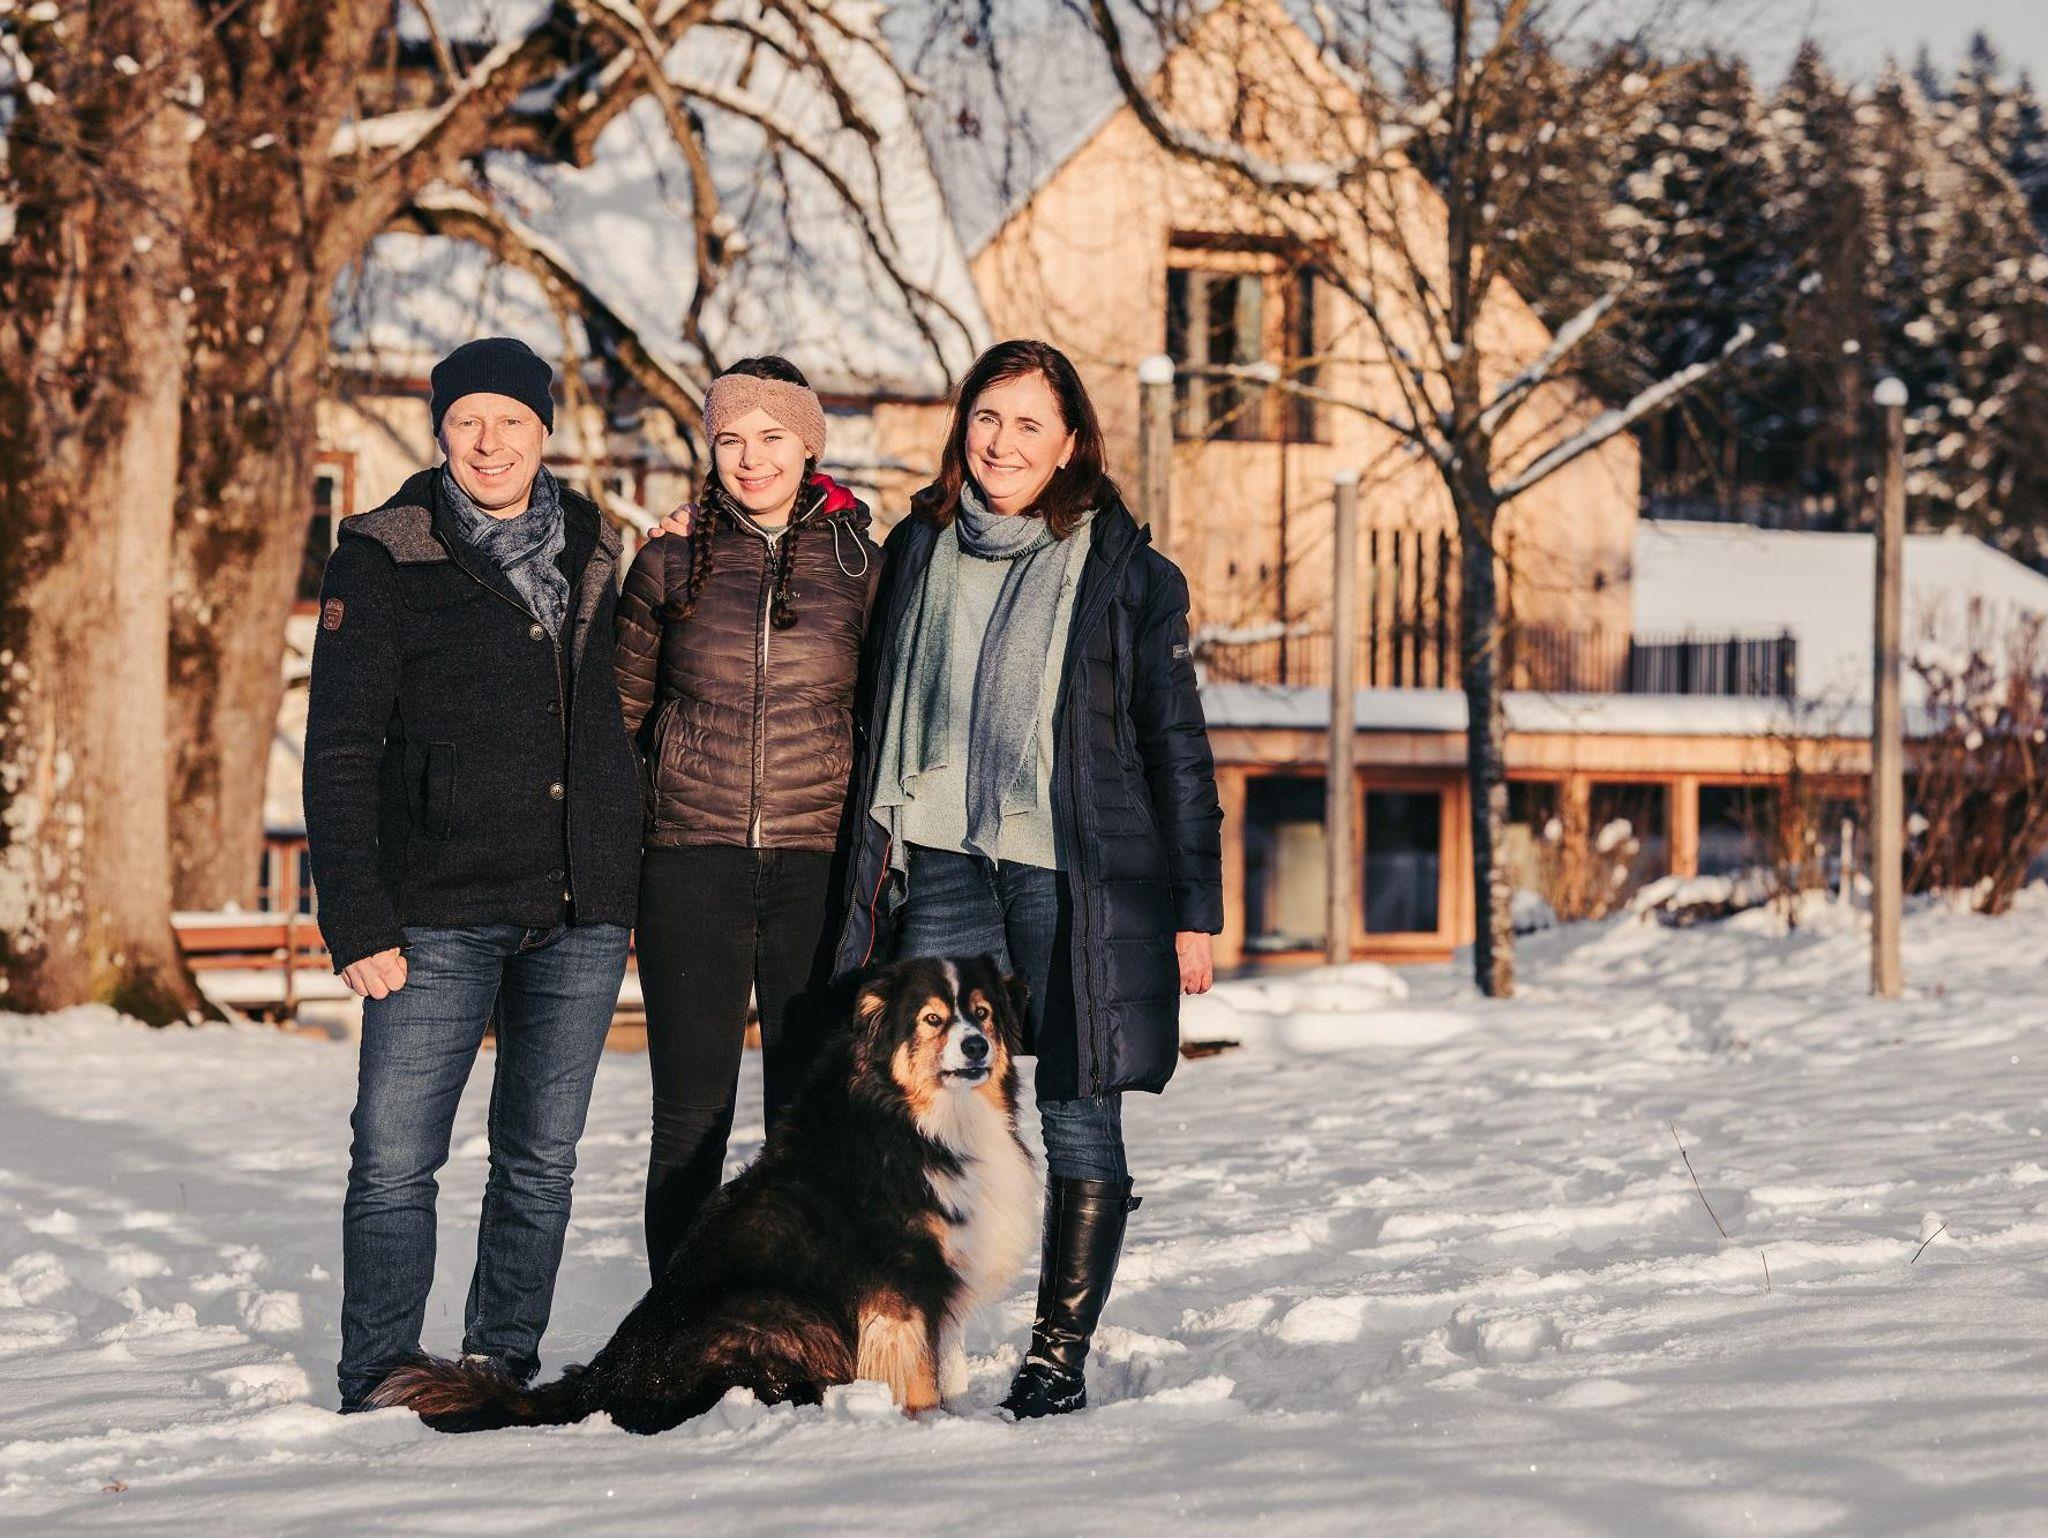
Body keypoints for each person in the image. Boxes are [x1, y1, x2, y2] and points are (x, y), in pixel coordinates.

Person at [832, 338, 1224, 1418]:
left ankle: (1057, 1351)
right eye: (987, 418)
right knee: (926, 1104)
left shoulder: (1127, 575)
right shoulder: (916, 547)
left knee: (1077, 1104)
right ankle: (923, 1332)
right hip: (940, 855)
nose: (1002, 444)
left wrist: (1195, 908)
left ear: (1070, 444)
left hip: (1072, 871)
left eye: (1028, 425)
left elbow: (1176, 748)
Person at [304, 336, 645, 1412]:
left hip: (577, 907)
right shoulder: (384, 550)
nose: (489, 442)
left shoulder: (595, 541)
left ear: (545, 429)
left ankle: (500, 1364)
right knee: (395, 1159)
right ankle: (378, 1376)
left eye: (511, 420)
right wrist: (356, 919)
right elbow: (339, 749)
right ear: (441, 431)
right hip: (436, 913)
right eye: (467, 421)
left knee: (540, 1160)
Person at [613, 357, 882, 1281]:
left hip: (818, 868)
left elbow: (887, 717)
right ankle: (680, 1325)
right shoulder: (668, 560)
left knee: (807, 1118)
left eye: (771, 437)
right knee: (691, 1119)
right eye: (729, 439)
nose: (750, 458)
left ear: (809, 447)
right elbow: (618, 721)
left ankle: (798, 1316)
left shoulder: (863, 567)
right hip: (690, 864)